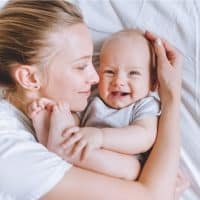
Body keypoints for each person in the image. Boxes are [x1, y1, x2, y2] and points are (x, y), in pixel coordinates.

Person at [0, 0, 183, 199]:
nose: (96, 78)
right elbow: (153, 197)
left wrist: (149, 177)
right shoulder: (9, 149)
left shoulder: (42, 117)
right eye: (80, 66)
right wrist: (172, 97)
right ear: (30, 78)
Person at [28, 29, 160, 181]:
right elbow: (75, 124)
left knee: (133, 168)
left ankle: (57, 146)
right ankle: (52, 138)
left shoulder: (145, 105)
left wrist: (101, 137)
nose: (119, 81)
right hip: (82, 164)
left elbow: (143, 136)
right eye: (110, 72)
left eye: (133, 73)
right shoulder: (93, 98)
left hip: (117, 169)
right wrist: (57, 113)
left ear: (153, 82)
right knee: (66, 132)